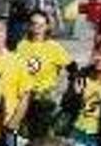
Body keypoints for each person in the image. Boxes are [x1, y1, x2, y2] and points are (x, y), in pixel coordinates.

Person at [16, 10, 74, 139]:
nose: (37, 28)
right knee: (24, 137)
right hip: (24, 98)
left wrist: (62, 91)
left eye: (41, 25)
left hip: (44, 101)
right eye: (34, 24)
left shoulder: (53, 47)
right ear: (29, 26)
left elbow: (72, 68)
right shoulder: (22, 45)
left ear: (47, 26)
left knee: (41, 138)